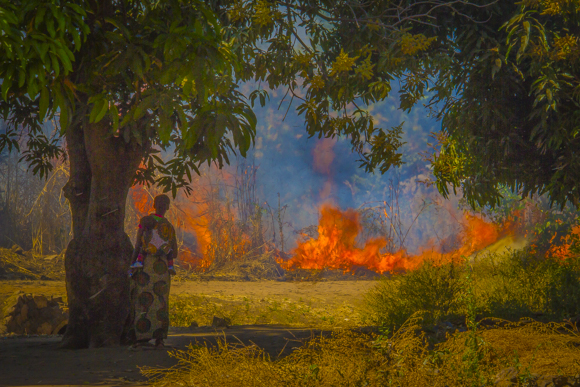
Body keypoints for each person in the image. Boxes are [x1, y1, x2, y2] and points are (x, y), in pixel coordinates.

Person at [127, 194, 178, 349]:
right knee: (161, 302)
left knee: (143, 299)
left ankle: (141, 337)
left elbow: (137, 245)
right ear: (167, 207)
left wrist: (132, 264)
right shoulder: (168, 226)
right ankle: (159, 339)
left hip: (146, 266)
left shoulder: (145, 222)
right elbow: (174, 253)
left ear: (154, 205)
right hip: (162, 268)